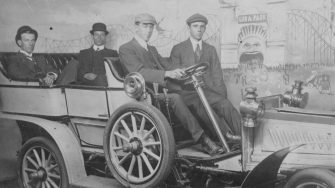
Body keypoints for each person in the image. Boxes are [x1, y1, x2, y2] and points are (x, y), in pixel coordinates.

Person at [119, 13, 224, 156]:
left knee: (194, 97)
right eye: (145, 26)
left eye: (151, 27)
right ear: (136, 27)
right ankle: (203, 140)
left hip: (161, 92)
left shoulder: (152, 50)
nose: (149, 30)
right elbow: (138, 72)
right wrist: (167, 74)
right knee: (175, 98)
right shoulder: (127, 49)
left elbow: (166, 64)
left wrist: (183, 69)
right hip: (145, 97)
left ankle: (220, 135)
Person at [170, 13, 242, 141]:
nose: (199, 29)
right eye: (195, 26)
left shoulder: (210, 50)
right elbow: (175, 76)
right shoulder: (178, 49)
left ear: (205, 29)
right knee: (203, 106)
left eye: (202, 26)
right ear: (189, 28)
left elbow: (217, 76)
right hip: (187, 93)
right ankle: (226, 137)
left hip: (207, 91)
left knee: (225, 104)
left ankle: (244, 136)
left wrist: (221, 97)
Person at [7, 26, 77, 86]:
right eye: (27, 40)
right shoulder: (14, 59)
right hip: (35, 89)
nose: (31, 43)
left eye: (33, 40)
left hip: (51, 87)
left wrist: (51, 76)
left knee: (74, 63)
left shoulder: (40, 58)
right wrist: (42, 79)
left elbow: (52, 70)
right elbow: (17, 76)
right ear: (19, 42)